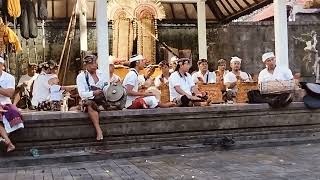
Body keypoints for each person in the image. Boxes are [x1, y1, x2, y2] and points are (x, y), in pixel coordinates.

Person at [76, 54, 107, 141]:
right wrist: (93, 92)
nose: (94, 65)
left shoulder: (101, 73)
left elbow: (105, 86)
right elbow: (82, 94)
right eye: (91, 64)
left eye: (95, 63)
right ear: (86, 65)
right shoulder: (81, 77)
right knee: (90, 105)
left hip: (101, 99)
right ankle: (98, 130)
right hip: (89, 100)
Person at [0, 57, 23, 152]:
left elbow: (10, 93)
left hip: (6, 103)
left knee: (14, 112)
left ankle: (4, 140)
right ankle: (8, 142)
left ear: (3, 66)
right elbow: (6, 91)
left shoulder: (9, 78)